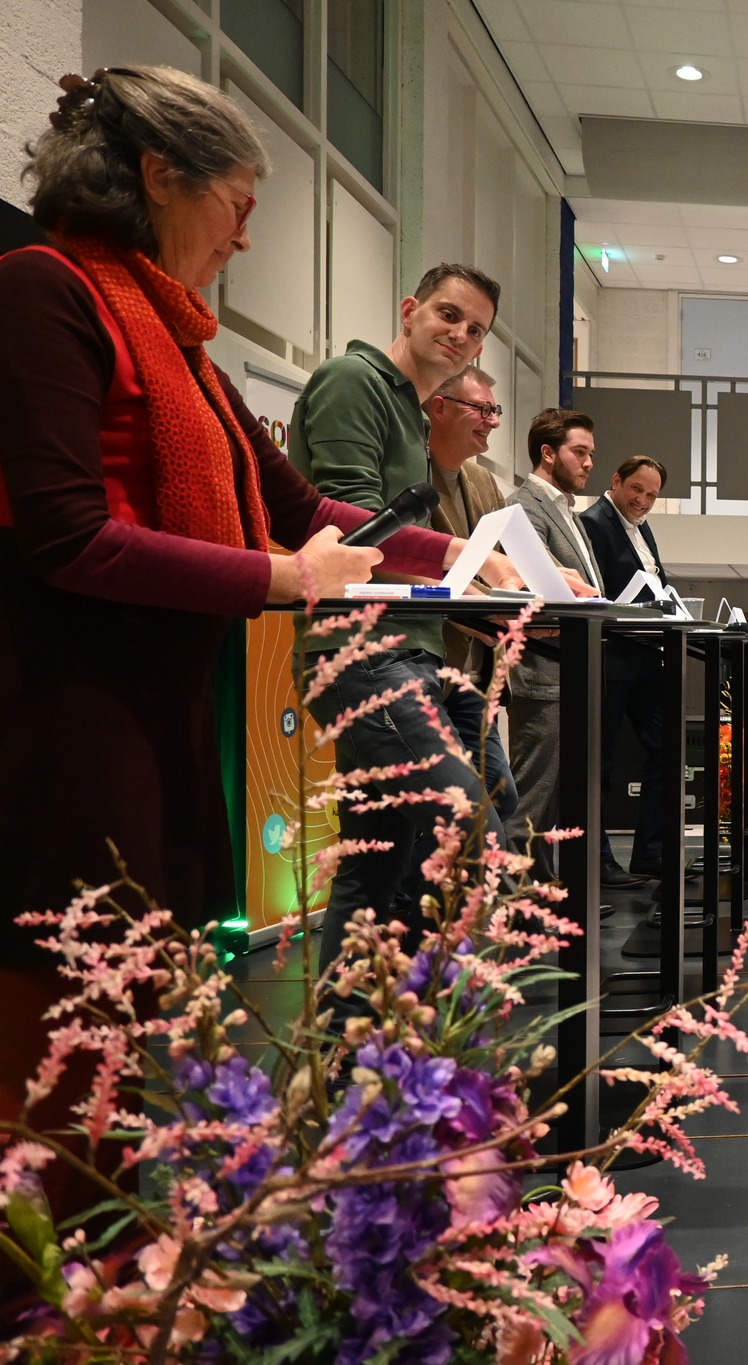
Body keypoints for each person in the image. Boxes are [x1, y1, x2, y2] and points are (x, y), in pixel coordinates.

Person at [0, 65, 445, 1212]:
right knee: (66, 1015)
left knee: (141, 1010)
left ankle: (111, 1258)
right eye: (237, 207)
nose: (245, 239)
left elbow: (301, 506)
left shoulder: (181, 339)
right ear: (160, 176)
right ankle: (46, 1269)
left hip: (162, 703)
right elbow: (69, 538)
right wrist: (284, 580)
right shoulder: (45, 290)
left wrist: (466, 557)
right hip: (65, 709)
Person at [293, 261, 530, 973]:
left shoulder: (410, 410)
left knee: (378, 867)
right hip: (364, 653)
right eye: (449, 315)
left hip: (419, 656)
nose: (461, 334)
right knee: (471, 828)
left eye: (476, 329)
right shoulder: (353, 382)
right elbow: (354, 529)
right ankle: (435, 1007)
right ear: (409, 310)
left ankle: (360, 1029)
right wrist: (471, 567)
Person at [505, 407, 612, 883]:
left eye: (591, 453)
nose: (589, 463)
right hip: (544, 671)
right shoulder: (524, 507)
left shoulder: (565, 510)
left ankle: (542, 892)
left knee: (552, 802)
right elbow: (539, 586)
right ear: (548, 453)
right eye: (579, 452)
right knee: (532, 798)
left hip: (571, 671)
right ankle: (515, 900)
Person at [423, 364, 517, 826]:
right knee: (461, 812)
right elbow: (408, 564)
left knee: (501, 796)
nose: (493, 421)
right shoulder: (409, 470)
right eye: (482, 409)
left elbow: (504, 559)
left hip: (475, 676)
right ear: (439, 408)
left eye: (495, 410)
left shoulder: (482, 481)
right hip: (425, 665)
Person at [581, 454, 674, 880]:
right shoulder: (593, 523)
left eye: (652, 495)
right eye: (637, 489)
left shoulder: (643, 527)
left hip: (645, 655)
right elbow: (592, 590)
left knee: (667, 747)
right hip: (609, 656)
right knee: (599, 762)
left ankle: (650, 852)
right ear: (616, 481)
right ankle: (596, 860)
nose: (643, 500)